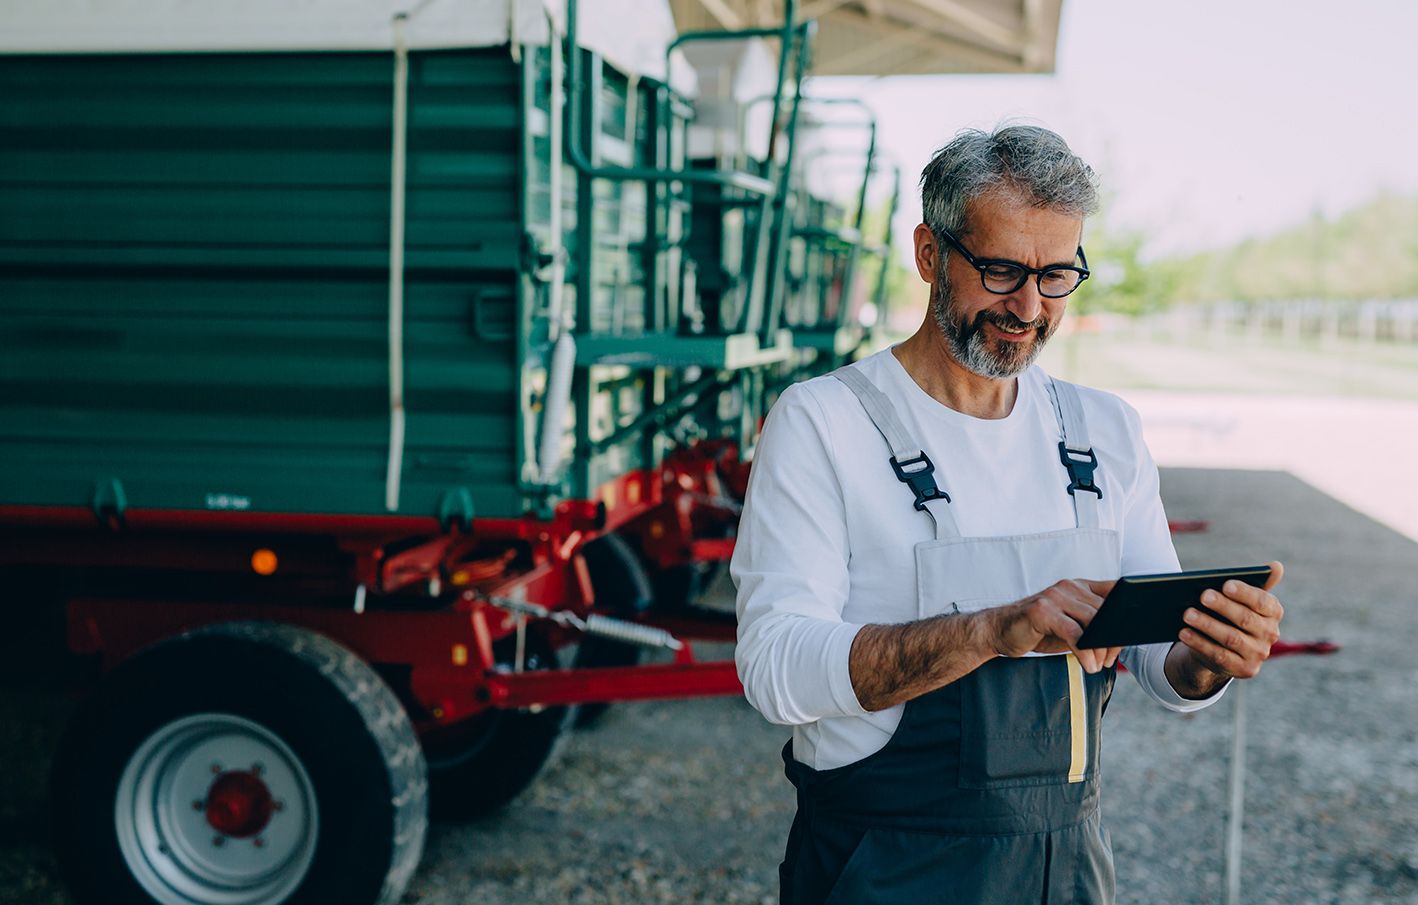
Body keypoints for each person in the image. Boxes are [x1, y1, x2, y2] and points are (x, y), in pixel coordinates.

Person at [731, 124, 1285, 905]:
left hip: (1067, 867)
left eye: (1058, 274)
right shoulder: (825, 422)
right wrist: (993, 629)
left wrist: (1208, 655)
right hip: (884, 865)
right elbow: (774, 672)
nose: (1028, 306)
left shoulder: (1105, 431)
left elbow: (1161, 666)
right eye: (1000, 270)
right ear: (929, 254)